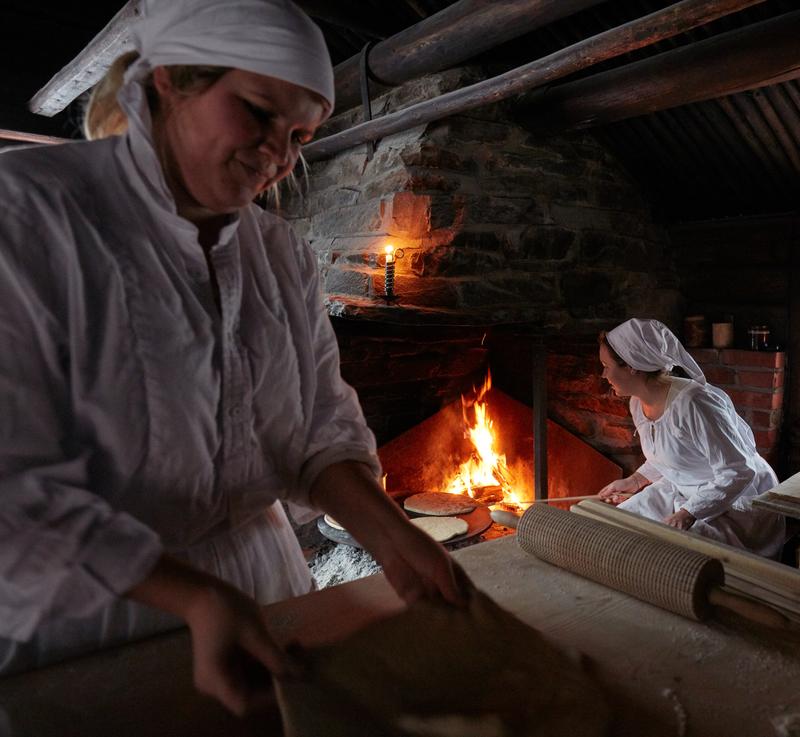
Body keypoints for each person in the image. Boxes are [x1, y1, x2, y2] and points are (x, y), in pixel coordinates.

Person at [0, 0, 468, 717]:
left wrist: (392, 534)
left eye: (301, 134)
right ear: (171, 81)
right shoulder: (31, 218)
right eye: (256, 113)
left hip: (261, 590)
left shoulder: (278, 254)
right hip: (91, 613)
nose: (278, 153)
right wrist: (191, 595)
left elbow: (318, 432)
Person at [597, 318, 785, 559]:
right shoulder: (638, 402)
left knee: (667, 555)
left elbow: (738, 471)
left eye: (606, 365)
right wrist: (634, 481)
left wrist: (687, 514)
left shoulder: (696, 404)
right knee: (613, 525)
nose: (603, 374)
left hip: (734, 500)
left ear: (633, 366)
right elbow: (668, 453)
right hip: (683, 488)